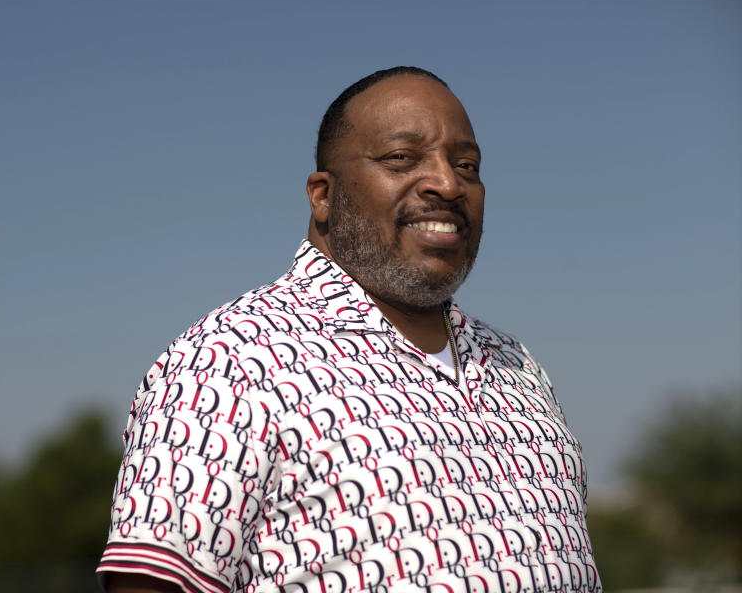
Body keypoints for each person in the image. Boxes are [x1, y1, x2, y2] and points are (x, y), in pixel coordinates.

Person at [97, 67, 601, 593]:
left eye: (467, 165)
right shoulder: (232, 358)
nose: (448, 184)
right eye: (402, 158)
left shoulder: (515, 365)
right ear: (323, 195)